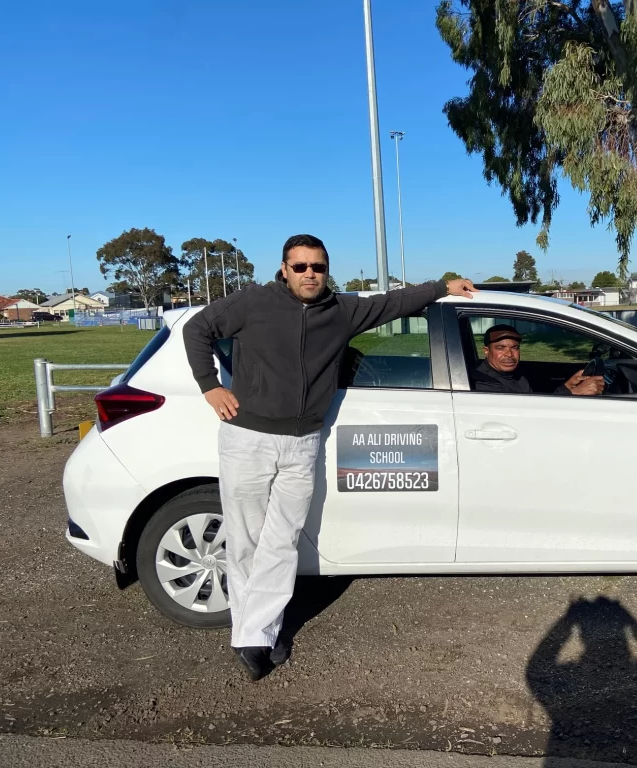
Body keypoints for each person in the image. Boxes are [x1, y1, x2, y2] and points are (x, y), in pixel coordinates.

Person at [183, 233, 476, 680]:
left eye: (317, 267)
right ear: (284, 269)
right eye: (299, 267)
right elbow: (196, 329)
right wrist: (210, 385)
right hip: (248, 437)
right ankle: (252, 635)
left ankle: (258, 631)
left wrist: (441, 287)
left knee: (282, 541)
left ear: (326, 269)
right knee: (245, 539)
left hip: (303, 442)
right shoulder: (253, 303)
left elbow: (392, 303)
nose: (309, 275)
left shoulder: (341, 311)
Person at [469, 324, 605, 395]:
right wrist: (575, 392)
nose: (509, 354)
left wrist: (568, 386)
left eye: (515, 348)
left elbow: (534, 403)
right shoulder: (483, 382)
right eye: (500, 348)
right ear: (486, 351)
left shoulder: (514, 374)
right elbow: (525, 412)